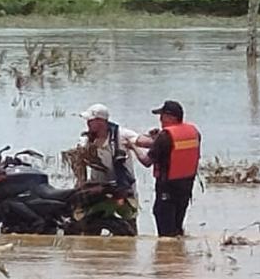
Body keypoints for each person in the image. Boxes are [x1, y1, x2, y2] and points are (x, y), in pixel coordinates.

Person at [131, 99, 201, 237]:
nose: (160, 120)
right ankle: (178, 255)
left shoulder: (165, 137)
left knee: (166, 233)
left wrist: (132, 146)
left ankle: (167, 257)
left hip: (167, 188)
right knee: (177, 227)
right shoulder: (194, 132)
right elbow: (174, 148)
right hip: (186, 186)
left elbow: (146, 161)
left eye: (162, 116)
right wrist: (157, 138)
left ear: (170, 117)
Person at [73, 103, 142, 234]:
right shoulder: (86, 140)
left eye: (90, 120)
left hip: (123, 190)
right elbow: (79, 164)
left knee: (130, 228)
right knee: (87, 228)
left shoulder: (122, 135)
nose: (87, 123)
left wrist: (155, 137)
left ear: (101, 121)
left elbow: (140, 140)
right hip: (97, 189)